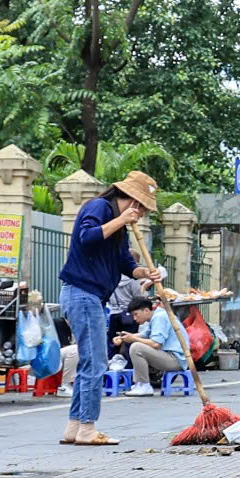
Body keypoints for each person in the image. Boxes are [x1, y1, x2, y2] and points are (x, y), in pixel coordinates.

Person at [58, 170, 162, 445]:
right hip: (82, 293)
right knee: (96, 362)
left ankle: (75, 426)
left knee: (89, 361)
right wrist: (120, 220)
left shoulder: (120, 229)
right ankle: (88, 428)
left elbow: (125, 264)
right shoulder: (99, 208)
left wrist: (145, 273)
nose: (138, 213)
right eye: (137, 206)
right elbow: (87, 237)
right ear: (128, 199)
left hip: (92, 298)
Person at [114, 295, 185, 393]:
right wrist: (123, 337)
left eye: (136, 314)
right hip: (172, 357)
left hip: (176, 359)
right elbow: (144, 334)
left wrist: (133, 338)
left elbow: (156, 344)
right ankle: (140, 384)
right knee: (136, 344)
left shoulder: (159, 317)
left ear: (146, 310)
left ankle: (144, 385)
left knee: (136, 348)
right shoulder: (157, 315)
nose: (134, 318)